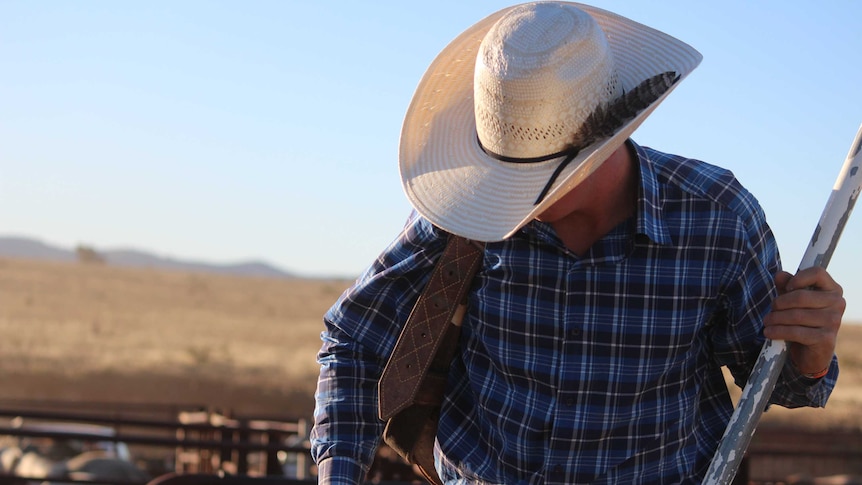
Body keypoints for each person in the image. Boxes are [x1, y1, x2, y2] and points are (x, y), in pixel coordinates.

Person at [310, 2, 846, 484]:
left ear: (601, 146)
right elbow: (355, 341)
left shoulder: (717, 220)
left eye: (527, 181)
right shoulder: (466, 212)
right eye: (503, 175)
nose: (509, 202)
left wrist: (810, 357)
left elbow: (773, 383)